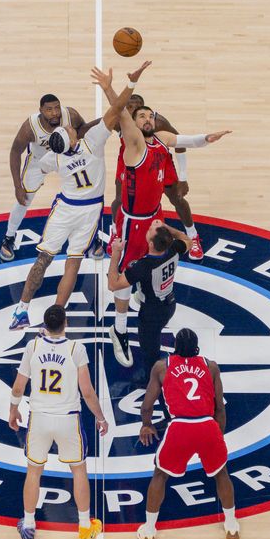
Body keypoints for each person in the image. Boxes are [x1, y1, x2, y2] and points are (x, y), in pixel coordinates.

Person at [91, 66, 230, 367]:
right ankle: (119, 329)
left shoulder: (159, 141)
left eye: (150, 115)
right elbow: (121, 113)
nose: (147, 119)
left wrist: (208, 138)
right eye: (142, 116)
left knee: (154, 264)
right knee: (124, 280)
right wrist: (114, 86)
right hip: (132, 220)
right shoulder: (136, 143)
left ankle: (141, 293)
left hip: (154, 214)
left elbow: (186, 140)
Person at [8, 66, 143, 330]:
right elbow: (116, 111)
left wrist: (24, 181)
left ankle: (21, 310)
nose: (71, 127)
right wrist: (130, 84)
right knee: (73, 263)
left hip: (65, 208)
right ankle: (57, 315)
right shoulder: (92, 141)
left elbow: (39, 164)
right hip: (89, 209)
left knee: (43, 259)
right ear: (70, 139)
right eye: (69, 131)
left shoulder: (53, 158)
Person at [7, 305, 108, 539]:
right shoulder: (76, 349)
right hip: (68, 419)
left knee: (33, 471)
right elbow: (88, 392)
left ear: (44, 325)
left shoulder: (32, 346)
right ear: (66, 323)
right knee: (79, 470)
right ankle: (84, 526)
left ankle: (29, 524)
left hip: (39, 418)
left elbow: (19, 387)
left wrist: (13, 410)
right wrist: (101, 418)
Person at [134, 327, 240, 539]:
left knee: (160, 475)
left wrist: (146, 425)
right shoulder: (211, 366)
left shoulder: (163, 367)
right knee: (221, 473)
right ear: (197, 347)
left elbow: (147, 405)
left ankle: (150, 531)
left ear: (175, 348)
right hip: (206, 425)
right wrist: (217, 434)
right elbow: (220, 406)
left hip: (180, 427)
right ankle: (231, 527)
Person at [106, 92, 204, 260]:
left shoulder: (158, 123)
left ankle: (192, 235)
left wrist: (183, 177)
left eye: (137, 106)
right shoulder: (120, 122)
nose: (133, 109)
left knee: (177, 198)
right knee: (120, 198)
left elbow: (181, 144)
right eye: (129, 106)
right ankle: (116, 232)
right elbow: (96, 127)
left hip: (159, 160)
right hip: (131, 161)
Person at [0, 95, 87, 262]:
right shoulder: (31, 126)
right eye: (49, 109)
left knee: (85, 194)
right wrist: (17, 186)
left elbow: (83, 130)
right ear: (41, 111)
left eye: (57, 108)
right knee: (24, 199)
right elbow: (15, 151)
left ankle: (91, 238)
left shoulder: (70, 115)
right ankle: (9, 237)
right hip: (39, 161)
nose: (55, 113)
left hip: (66, 158)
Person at [105, 221, 185, 382]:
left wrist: (116, 254)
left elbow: (112, 284)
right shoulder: (174, 249)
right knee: (149, 291)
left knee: (150, 352)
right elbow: (185, 237)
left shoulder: (143, 267)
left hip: (152, 313)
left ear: (150, 243)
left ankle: (152, 381)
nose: (149, 227)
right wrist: (166, 229)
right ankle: (140, 296)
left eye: (151, 230)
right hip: (169, 303)